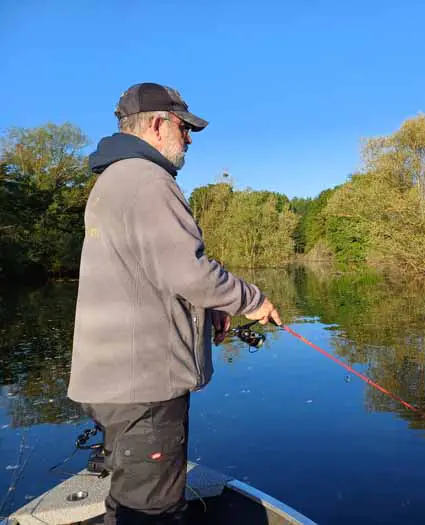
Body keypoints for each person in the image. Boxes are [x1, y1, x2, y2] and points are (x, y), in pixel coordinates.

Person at [67, 82, 282, 524]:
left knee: (131, 502)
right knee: (154, 512)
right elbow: (190, 273)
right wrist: (253, 301)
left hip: (116, 380)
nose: (189, 139)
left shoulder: (115, 180)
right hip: (144, 387)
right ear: (157, 124)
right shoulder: (149, 182)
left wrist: (209, 309)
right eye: (185, 128)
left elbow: (152, 276)